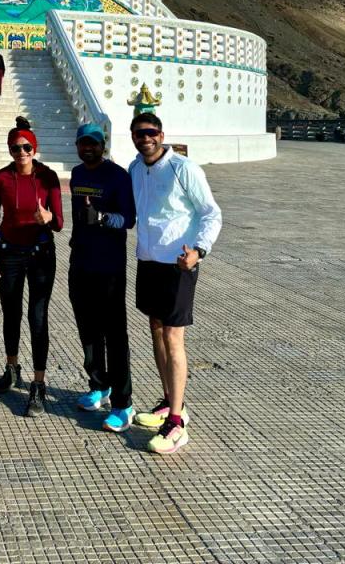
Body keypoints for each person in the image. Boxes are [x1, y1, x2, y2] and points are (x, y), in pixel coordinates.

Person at [129, 112, 222, 454]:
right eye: (140, 133)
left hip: (179, 263)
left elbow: (211, 213)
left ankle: (178, 423)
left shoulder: (184, 168)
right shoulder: (135, 168)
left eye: (151, 132)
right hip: (149, 261)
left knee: (172, 335)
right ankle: (170, 401)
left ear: (161, 134)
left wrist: (199, 251)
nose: (146, 138)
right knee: (155, 328)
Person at [0, 119, 63, 416]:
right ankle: (12, 367)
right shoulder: (1, 178)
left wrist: (48, 218)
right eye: (16, 148)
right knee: (11, 312)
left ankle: (38, 383)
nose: (21, 153)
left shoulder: (48, 177)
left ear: (34, 148)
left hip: (40, 253)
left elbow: (59, 222)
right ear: (10, 150)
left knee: (37, 316)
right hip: (9, 253)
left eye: (27, 147)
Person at [68, 123, 136, 432]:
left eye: (93, 143)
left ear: (103, 144)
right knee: (88, 329)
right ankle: (99, 385)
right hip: (81, 261)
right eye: (84, 143)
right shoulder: (77, 174)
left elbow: (129, 220)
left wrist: (102, 218)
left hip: (109, 266)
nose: (88, 148)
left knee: (114, 335)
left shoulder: (117, 176)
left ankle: (123, 403)